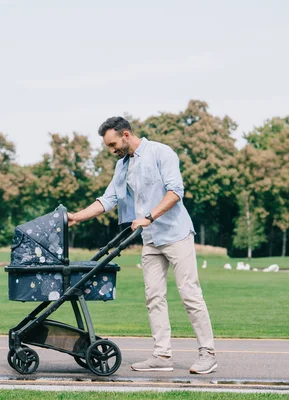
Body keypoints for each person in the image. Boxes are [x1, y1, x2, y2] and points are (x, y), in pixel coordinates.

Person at [67, 116, 217, 374]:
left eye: (113, 144)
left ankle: (208, 354)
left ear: (126, 134)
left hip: (176, 234)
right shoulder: (122, 166)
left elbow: (175, 192)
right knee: (154, 297)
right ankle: (162, 355)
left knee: (189, 294)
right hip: (150, 240)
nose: (112, 150)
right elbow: (108, 199)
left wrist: (149, 216)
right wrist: (76, 217)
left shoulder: (161, 152)